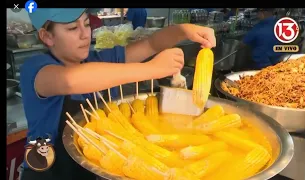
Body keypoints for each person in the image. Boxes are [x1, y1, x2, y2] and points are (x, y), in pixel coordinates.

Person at [20, 8, 216, 180]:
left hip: (91, 168)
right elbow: (70, 81)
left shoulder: (100, 59)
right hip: (48, 173)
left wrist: (184, 30)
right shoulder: (36, 69)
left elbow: (151, 44)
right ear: (47, 37)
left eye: (87, 24)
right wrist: (151, 69)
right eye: (72, 28)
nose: (84, 35)